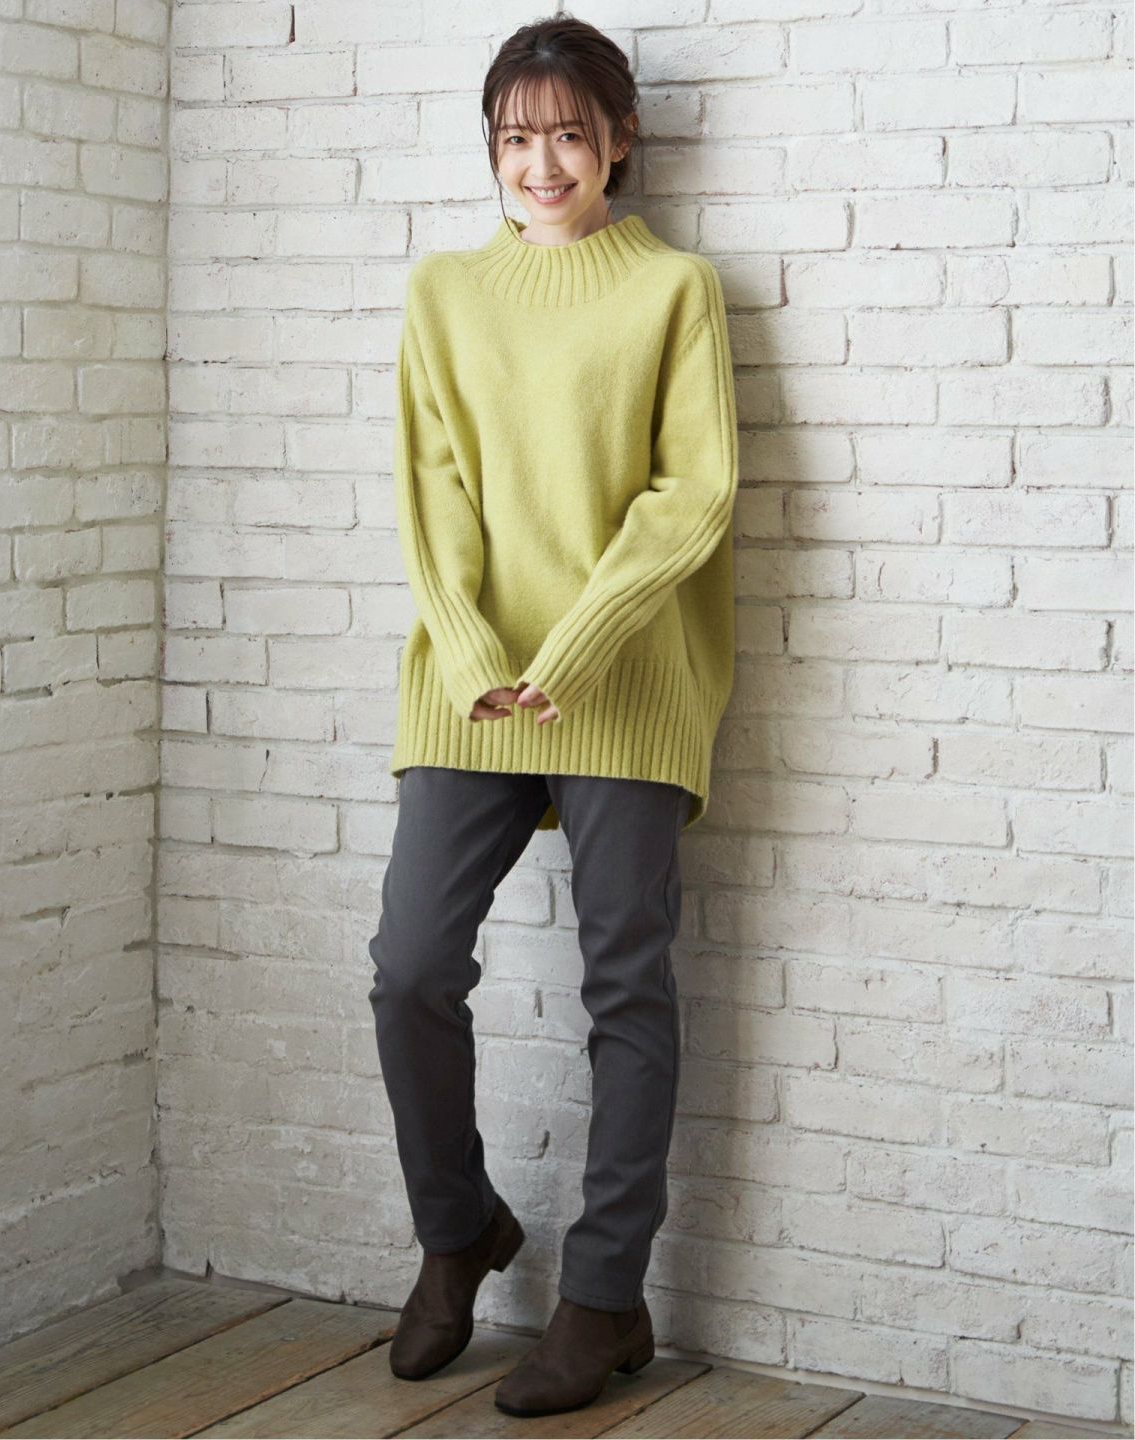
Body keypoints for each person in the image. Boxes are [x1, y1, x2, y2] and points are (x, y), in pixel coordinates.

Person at [367, 14, 739, 1421]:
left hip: (624, 680)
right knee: (410, 968)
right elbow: (433, 491)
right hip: (469, 683)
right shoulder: (445, 292)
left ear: (619, 142)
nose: (541, 164)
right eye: (516, 139)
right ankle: (458, 1228)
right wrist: (476, 651)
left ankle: (604, 1296)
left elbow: (693, 494)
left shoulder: (675, 292)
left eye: (569, 135)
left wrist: (574, 649)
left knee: (625, 983)